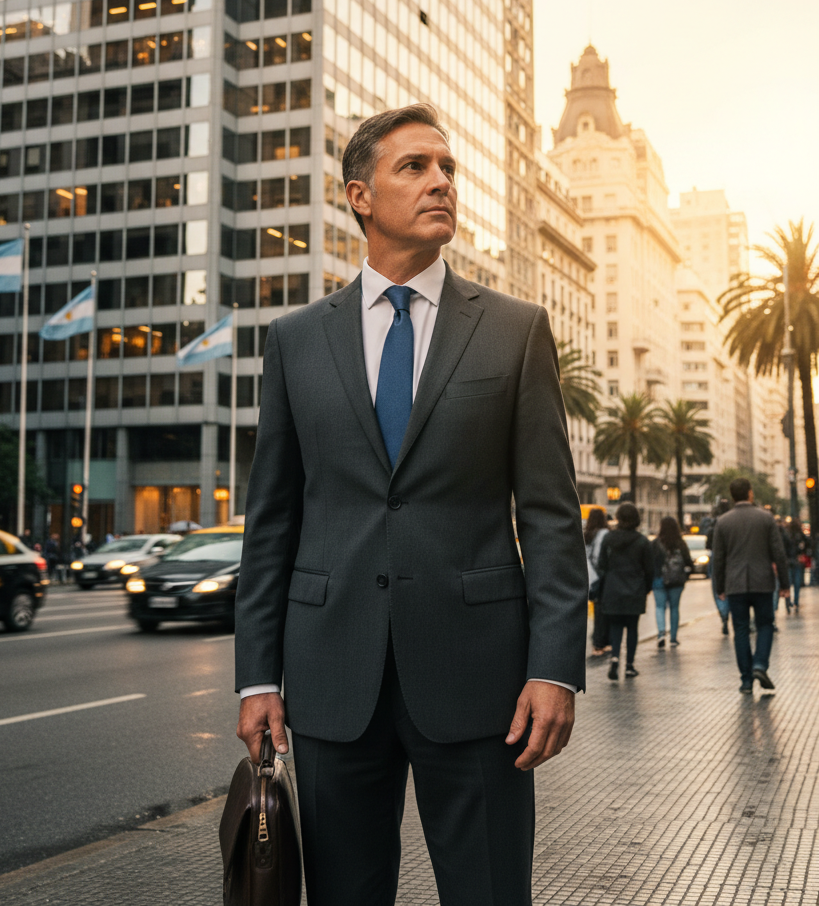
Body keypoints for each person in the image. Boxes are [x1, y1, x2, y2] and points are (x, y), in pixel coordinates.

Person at [234, 104, 588, 906]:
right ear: (360, 196)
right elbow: (272, 521)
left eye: (448, 168)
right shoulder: (296, 340)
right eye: (416, 168)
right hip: (331, 680)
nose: (441, 183)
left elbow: (550, 516)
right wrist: (256, 677)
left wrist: (555, 668)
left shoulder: (514, 331)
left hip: (480, 681)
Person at [711, 478, 790, 693]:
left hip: (735, 584)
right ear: (750, 493)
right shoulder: (766, 519)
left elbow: (718, 558)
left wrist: (720, 587)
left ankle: (746, 680)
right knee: (765, 625)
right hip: (763, 581)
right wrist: (784, 583)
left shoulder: (723, 522)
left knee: (741, 629)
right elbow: (779, 554)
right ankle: (760, 664)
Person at [598, 502, 653, 680]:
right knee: (632, 627)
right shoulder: (643, 541)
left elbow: (601, 565)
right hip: (635, 589)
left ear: (618, 518)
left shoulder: (608, 539)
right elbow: (649, 569)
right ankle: (629, 665)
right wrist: (646, 588)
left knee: (615, 626)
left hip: (612, 588)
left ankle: (614, 659)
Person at [651, 516, 692, 648]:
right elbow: (688, 561)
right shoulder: (680, 543)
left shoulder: (656, 543)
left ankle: (661, 633)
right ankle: (673, 638)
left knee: (659, 607)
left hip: (658, 579)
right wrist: (686, 576)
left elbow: (649, 562)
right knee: (674, 608)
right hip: (676, 580)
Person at [585, 508, 610, 655]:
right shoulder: (603, 534)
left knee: (596, 607)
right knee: (602, 610)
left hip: (589, 575)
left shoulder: (586, 534)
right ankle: (600, 642)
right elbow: (601, 556)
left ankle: (597, 642)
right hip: (600, 575)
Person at [707, 498, 731, 634]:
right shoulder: (733, 522)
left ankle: (723, 614)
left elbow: (708, 543)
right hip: (731, 557)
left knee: (717, 588)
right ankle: (730, 611)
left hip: (716, 557)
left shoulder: (714, 524)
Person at [784, 517, 806, 613]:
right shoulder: (799, 535)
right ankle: (796, 601)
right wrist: (801, 553)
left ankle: (788, 602)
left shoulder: (786, 534)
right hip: (796, 560)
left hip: (788, 561)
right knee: (797, 582)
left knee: (788, 583)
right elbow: (808, 542)